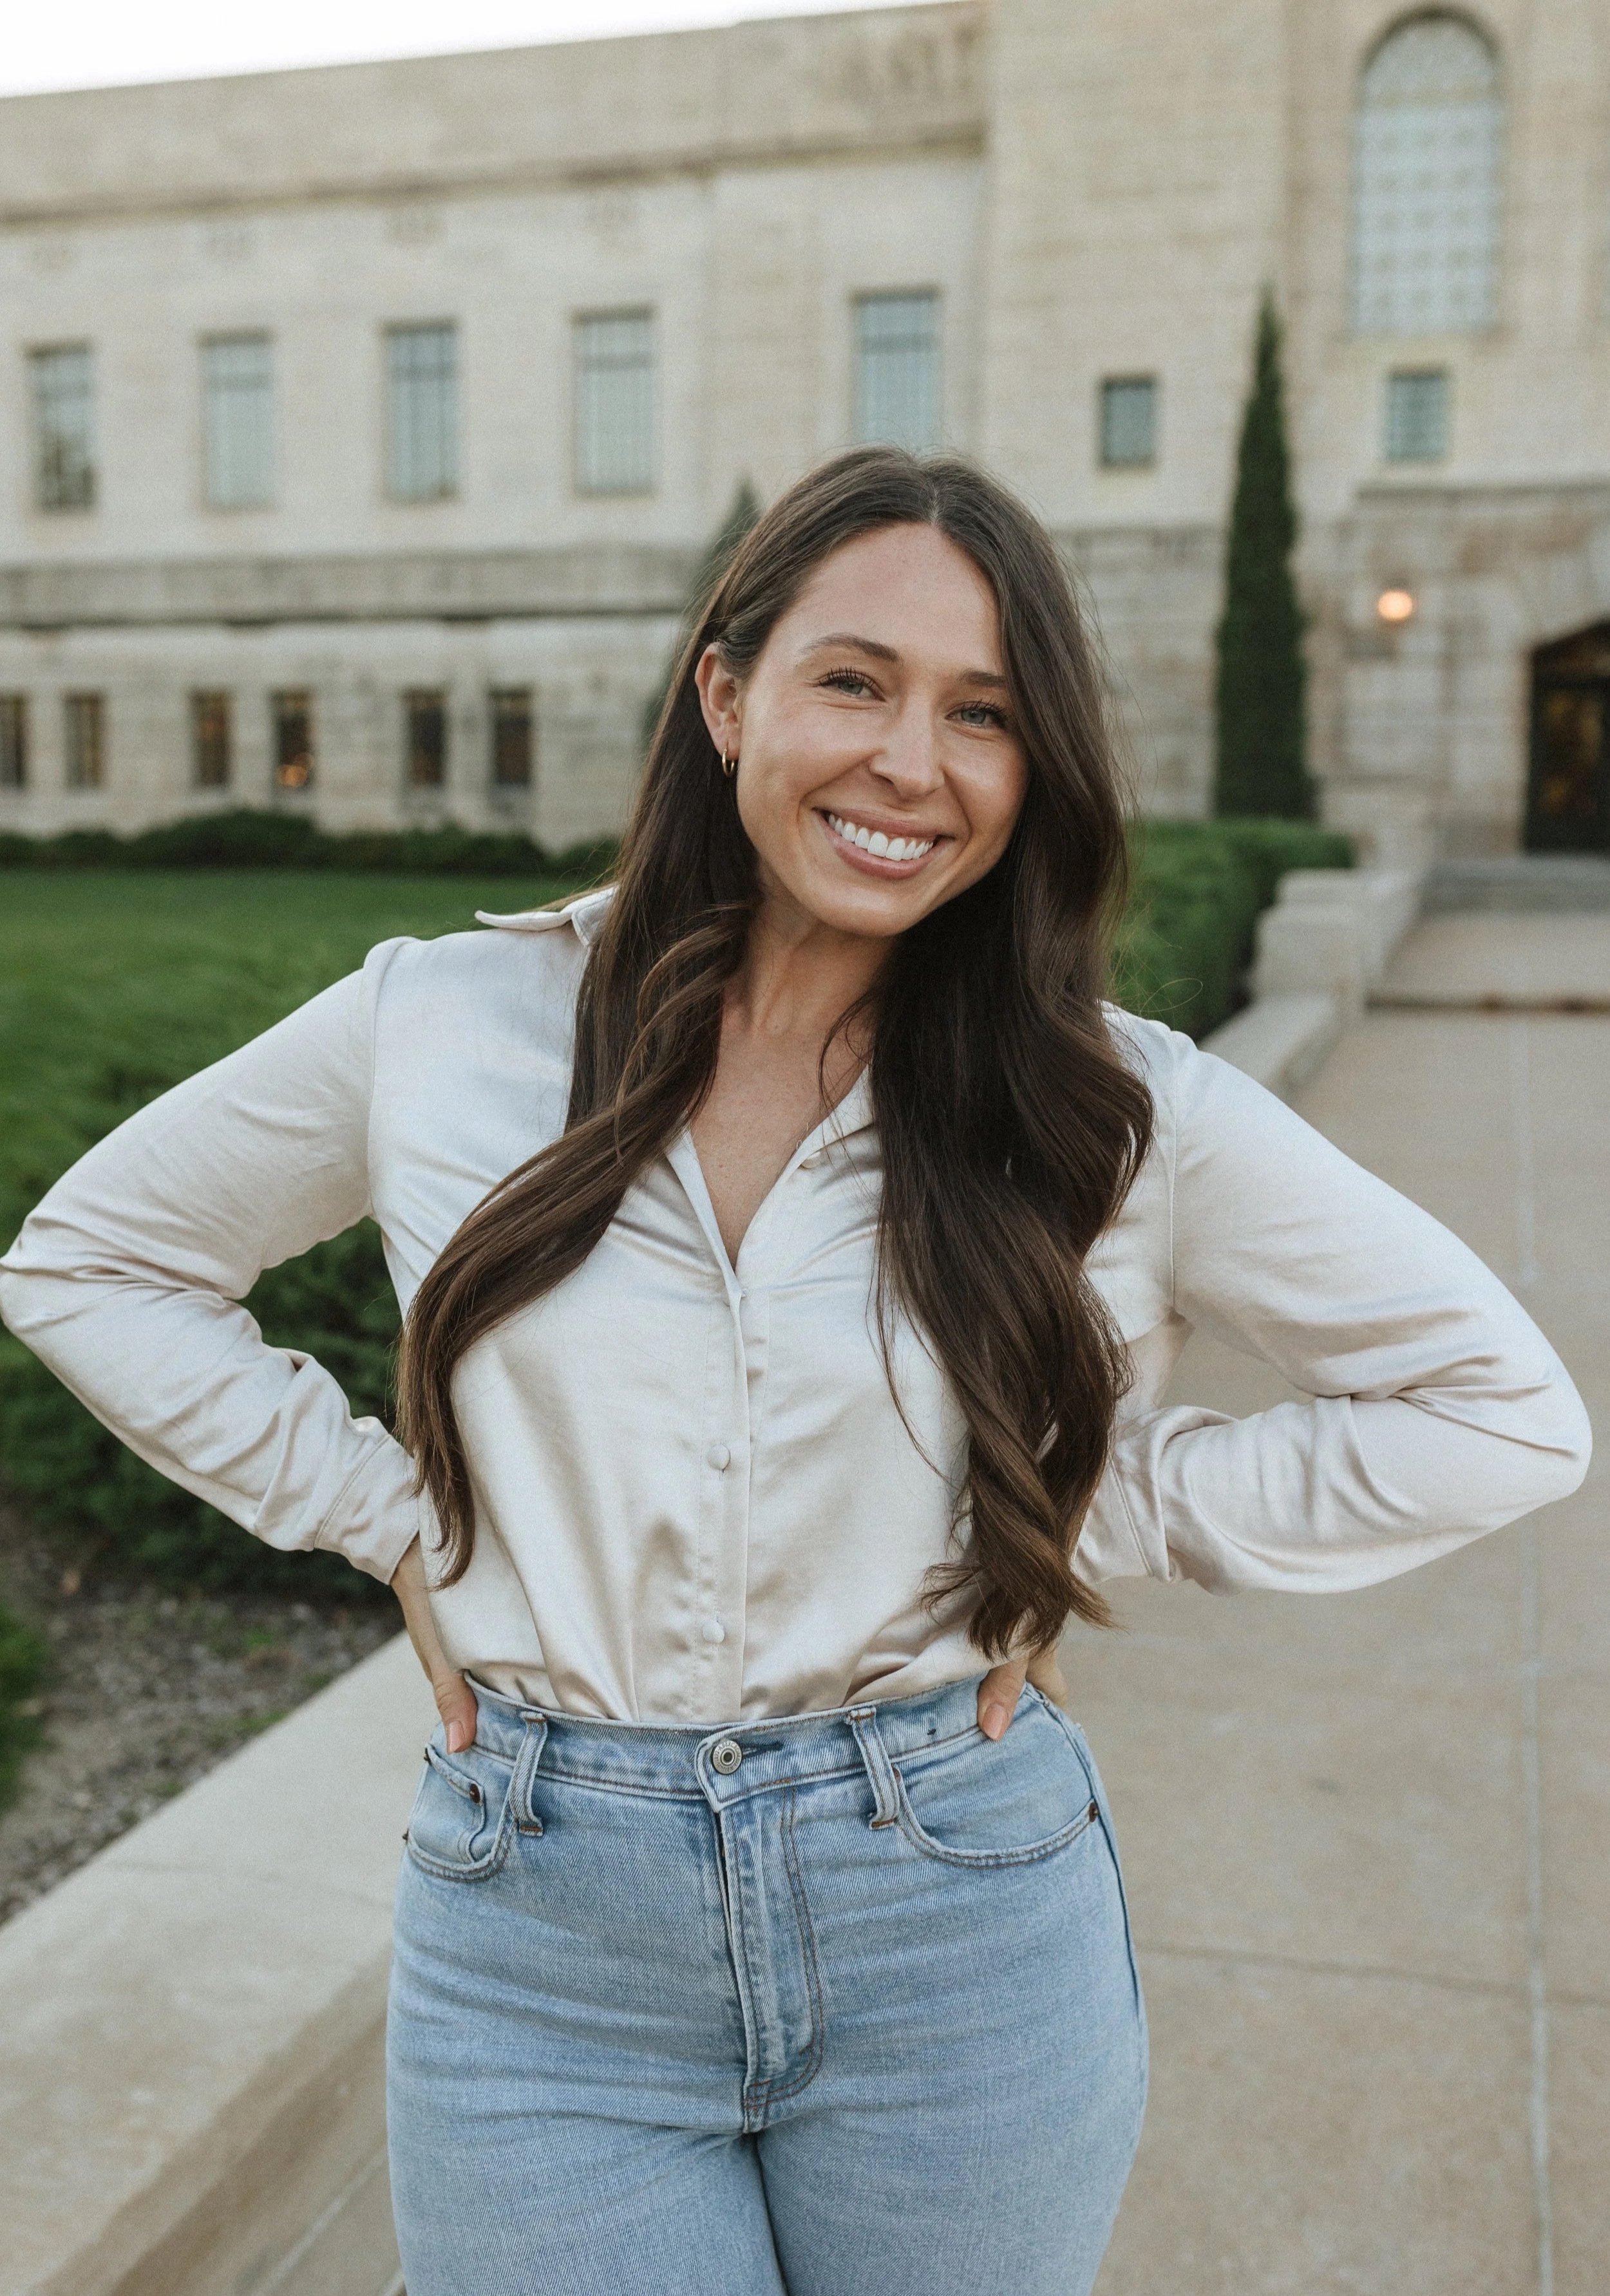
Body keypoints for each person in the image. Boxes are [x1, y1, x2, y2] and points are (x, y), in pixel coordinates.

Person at [0, 447, 1589, 2296]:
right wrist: (399, 1523)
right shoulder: (443, 1023)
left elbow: (1498, 1413)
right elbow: (93, 1261)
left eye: (982, 714)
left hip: (957, 1919)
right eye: (856, 680)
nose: (911, 763)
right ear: (726, 690)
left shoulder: (1113, 1102)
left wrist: (1076, 1510)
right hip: (541, 1937)